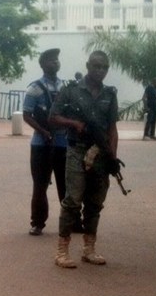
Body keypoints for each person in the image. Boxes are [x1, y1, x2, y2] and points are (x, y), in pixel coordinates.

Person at [49, 50, 119, 268]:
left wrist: (111, 157)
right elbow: (53, 117)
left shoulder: (109, 93)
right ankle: (62, 250)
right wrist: (74, 124)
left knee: (95, 202)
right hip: (77, 150)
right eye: (97, 66)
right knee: (72, 201)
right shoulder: (71, 90)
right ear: (88, 66)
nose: (100, 71)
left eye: (105, 67)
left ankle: (89, 249)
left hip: (100, 152)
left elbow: (112, 128)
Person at [22, 48, 66, 236]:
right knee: (40, 186)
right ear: (42, 65)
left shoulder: (66, 88)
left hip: (64, 144)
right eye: (50, 60)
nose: (55, 63)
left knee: (67, 185)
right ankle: (37, 223)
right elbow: (26, 115)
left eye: (57, 60)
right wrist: (42, 131)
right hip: (41, 145)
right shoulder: (35, 88)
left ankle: (71, 222)